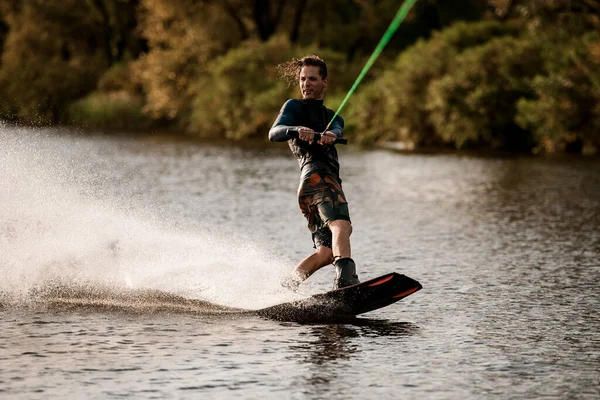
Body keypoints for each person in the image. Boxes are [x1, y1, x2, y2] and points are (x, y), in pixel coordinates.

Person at [269, 55, 360, 291]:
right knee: (341, 225)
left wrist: (331, 135)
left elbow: (338, 127)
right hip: (317, 178)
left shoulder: (333, 117)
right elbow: (275, 132)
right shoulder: (293, 107)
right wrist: (297, 129)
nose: (305, 83)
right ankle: (345, 281)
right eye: (302, 79)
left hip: (310, 189)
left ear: (324, 82)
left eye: (312, 78)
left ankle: (284, 288)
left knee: (326, 252)